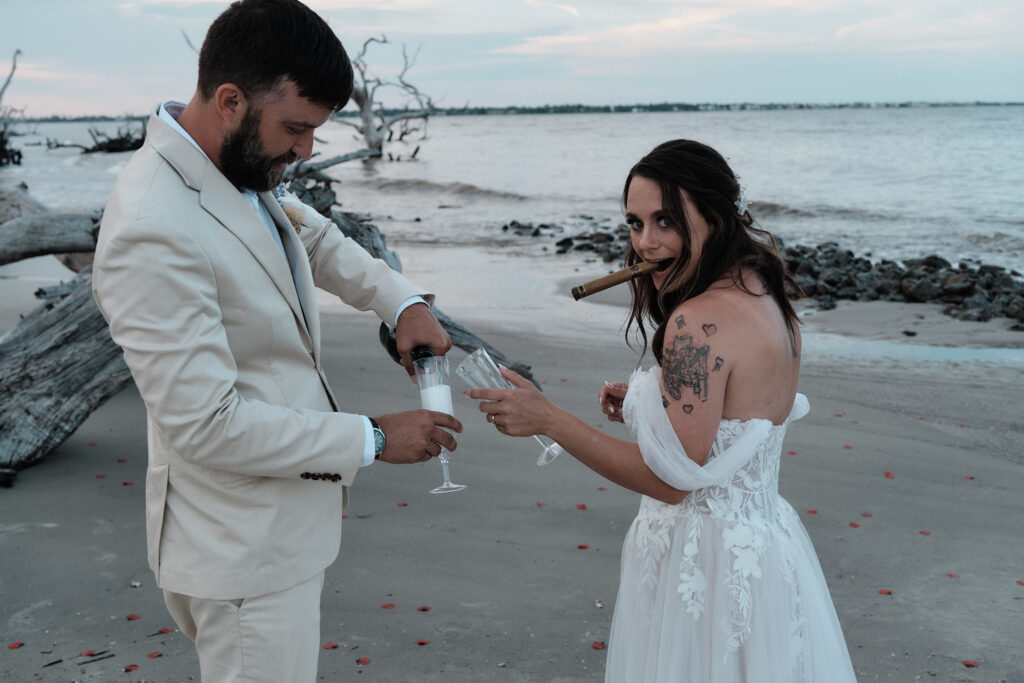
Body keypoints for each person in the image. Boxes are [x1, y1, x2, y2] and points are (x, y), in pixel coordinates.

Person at [91, 1, 461, 680]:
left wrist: (399, 299)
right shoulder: (153, 224)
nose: (306, 150)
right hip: (240, 554)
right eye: (295, 128)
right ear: (230, 100)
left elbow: (306, 232)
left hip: (276, 535)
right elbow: (207, 425)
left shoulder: (229, 168)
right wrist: (374, 437)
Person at [467, 140, 857, 682]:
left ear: (716, 218)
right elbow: (738, 419)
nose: (645, 244)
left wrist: (549, 419)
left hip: (704, 565)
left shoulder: (695, 323)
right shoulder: (767, 295)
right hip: (768, 552)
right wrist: (649, 406)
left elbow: (676, 483)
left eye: (666, 222)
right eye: (634, 223)